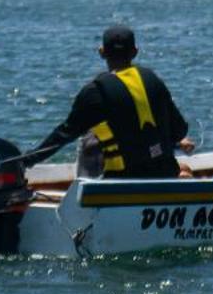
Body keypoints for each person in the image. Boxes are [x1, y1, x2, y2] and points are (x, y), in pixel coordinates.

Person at [23, 24, 194, 178]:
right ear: (135, 51)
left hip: (122, 183)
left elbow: (63, 136)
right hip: (165, 175)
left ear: (102, 52)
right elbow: (180, 130)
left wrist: (27, 160)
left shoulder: (95, 91)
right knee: (182, 168)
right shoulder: (153, 79)